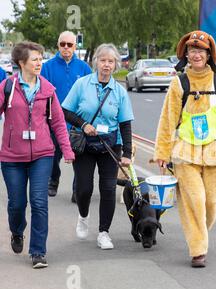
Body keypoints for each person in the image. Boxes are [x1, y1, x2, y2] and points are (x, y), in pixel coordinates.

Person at [153, 31, 216, 268]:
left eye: (201, 51)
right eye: (192, 50)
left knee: (210, 203)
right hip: (185, 153)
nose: (196, 55)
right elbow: (167, 120)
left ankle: (199, 234)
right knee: (194, 201)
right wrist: (162, 153)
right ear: (186, 54)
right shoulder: (179, 83)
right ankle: (198, 250)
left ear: (208, 55)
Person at [0, 41, 75, 269]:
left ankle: (38, 252)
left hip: (42, 154)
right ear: (22, 62)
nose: (39, 62)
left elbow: (59, 124)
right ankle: (16, 231)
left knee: (40, 203)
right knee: (17, 204)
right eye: (34, 59)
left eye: (41, 58)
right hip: (12, 158)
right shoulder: (7, 87)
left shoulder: (48, 90)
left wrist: (68, 149)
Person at [62, 43, 134, 249]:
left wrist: (127, 153)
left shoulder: (119, 91)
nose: (106, 65)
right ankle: (83, 216)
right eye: (103, 60)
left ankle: (104, 232)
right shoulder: (82, 84)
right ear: (96, 63)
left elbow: (125, 123)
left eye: (111, 61)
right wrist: (83, 124)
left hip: (110, 145)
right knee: (84, 189)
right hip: (84, 144)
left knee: (108, 189)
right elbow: (65, 111)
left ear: (115, 65)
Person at [41, 31, 92, 201]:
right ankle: (54, 179)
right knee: (53, 155)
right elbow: (42, 93)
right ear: (58, 45)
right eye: (62, 44)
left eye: (69, 44)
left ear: (75, 47)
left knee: (79, 157)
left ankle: (76, 190)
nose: (65, 48)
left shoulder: (84, 68)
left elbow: (91, 91)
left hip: (78, 123)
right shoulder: (47, 67)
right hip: (54, 121)